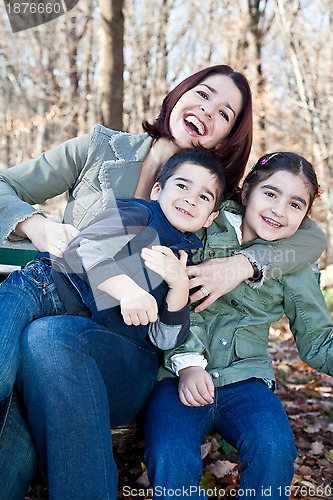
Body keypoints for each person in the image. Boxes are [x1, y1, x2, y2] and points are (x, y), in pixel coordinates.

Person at [0, 64, 326, 499]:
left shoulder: (214, 195)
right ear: (180, 92)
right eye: (204, 94)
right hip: (53, 326)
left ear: (226, 139)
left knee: (48, 337)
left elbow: (310, 236)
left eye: (225, 114)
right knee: (12, 436)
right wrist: (37, 227)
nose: (208, 111)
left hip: (134, 349)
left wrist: (242, 265)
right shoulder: (101, 148)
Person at [144, 152, 332, 500]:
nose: (278, 210)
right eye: (270, 193)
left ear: (305, 217)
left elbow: (318, 339)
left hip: (246, 379)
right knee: (168, 452)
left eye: (295, 204)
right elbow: (177, 298)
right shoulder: (203, 224)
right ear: (246, 192)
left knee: (274, 447)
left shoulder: (295, 263)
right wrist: (187, 364)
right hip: (177, 376)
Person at [0, 148, 225, 407]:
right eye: (182, 185)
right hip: (43, 287)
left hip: (71, 324)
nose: (190, 199)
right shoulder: (140, 214)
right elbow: (84, 249)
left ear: (211, 218)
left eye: (204, 197)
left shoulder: (183, 261)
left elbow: (164, 339)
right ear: (157, 190)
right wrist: (127, 291)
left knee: (15, 392)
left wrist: (179, 287)